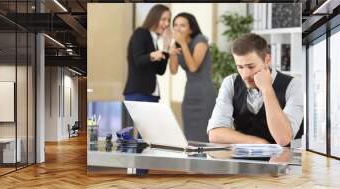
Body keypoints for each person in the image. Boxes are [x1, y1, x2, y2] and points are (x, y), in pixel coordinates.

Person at [207, 33, 303, 146]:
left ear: (267, 60)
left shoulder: (293, 85)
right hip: (243, 161)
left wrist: (267, 89)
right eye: (240, 67)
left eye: (251, 66)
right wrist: (258, 142)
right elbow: (215, 134)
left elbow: (283, 139)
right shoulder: (231, 83)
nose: (245, 75)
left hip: (284, 161)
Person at [169, 12, 216, 142]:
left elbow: (193, 67)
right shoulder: (177, 44)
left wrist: (183, 44)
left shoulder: (200, 40)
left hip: (204, 95)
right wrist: (172, 53)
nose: (178, 28)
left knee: (204, 136)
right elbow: (173, 71)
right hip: (189, 95)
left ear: (191, 29)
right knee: (189, 136)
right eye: (175, 25)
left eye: (182, 25)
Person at [124, 4, 172, 103]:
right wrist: (152, 55)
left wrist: (166, 47)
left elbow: (160, 70)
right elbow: (138, 61)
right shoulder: (141, 33)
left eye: (168, 20)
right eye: (163, 19)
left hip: (152, 95)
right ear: (154, 18)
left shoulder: (153, 39)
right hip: (139, 94)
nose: (167, 24)